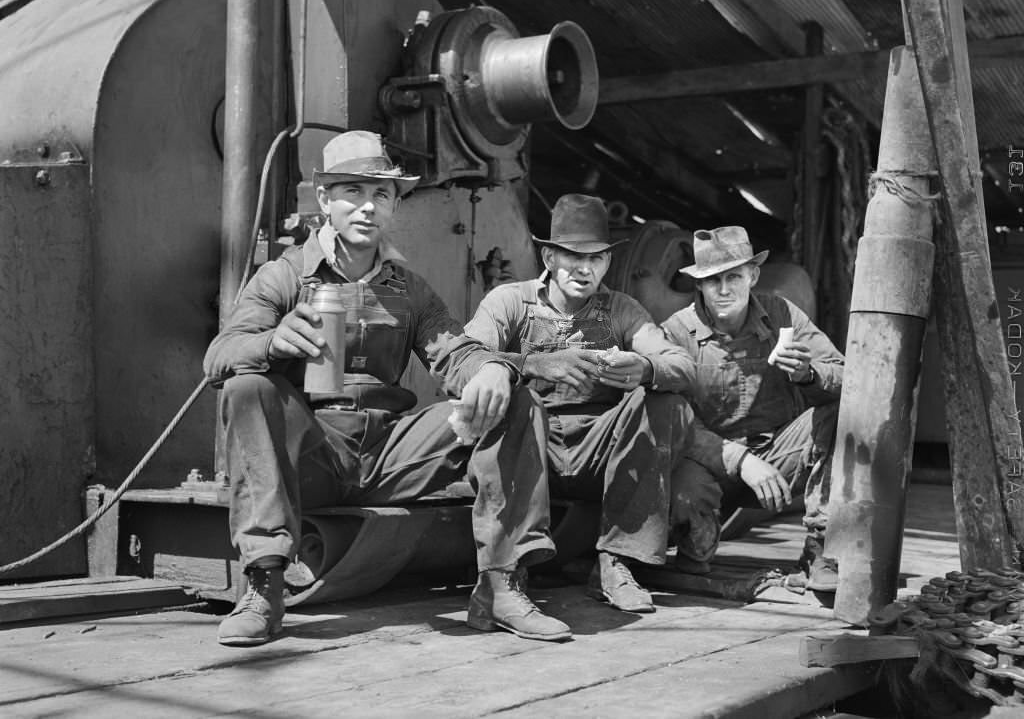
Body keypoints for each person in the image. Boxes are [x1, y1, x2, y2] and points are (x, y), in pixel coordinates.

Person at [204, 131, 570, 646]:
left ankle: (501, 585)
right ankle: (264, 584)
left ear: (394, 205)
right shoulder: (282, 277)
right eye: (352, 191)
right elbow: (219, 357)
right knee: (247, 390)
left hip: (390, 454)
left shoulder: (409, 288)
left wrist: (491, 369)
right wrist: (273, 342)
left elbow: (455, 352)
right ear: (324, 198)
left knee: (513, 398)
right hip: (312, 455)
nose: (367, 207)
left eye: (381, 195)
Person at [463, 194, 695, 614]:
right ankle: (508, 575)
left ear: (608, 261)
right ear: (549, 256)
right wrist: (533, 364)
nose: (585, 269)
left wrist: (643, 367)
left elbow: (682, 365)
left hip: (597, 454)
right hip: (530, 451)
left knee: (668, 404)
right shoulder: (510, 302)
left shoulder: (622, 309)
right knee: (519, 400)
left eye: (598, 258)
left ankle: (616, 561)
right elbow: (465, 358)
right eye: (572, 256)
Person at [661, 226, 844, 593]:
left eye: (734, 277)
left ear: (753, 275)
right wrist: (741, 460)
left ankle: (821, 549)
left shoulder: (783, 315)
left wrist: (808, 374)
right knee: (693, 545)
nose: (724, 290)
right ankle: (694, 546)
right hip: (710, 464)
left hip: (779, 458)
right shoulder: (676, 333)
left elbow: (846, 378)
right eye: (713, 280)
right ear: (699, 284)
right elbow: (670, 420)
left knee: (842, 413)